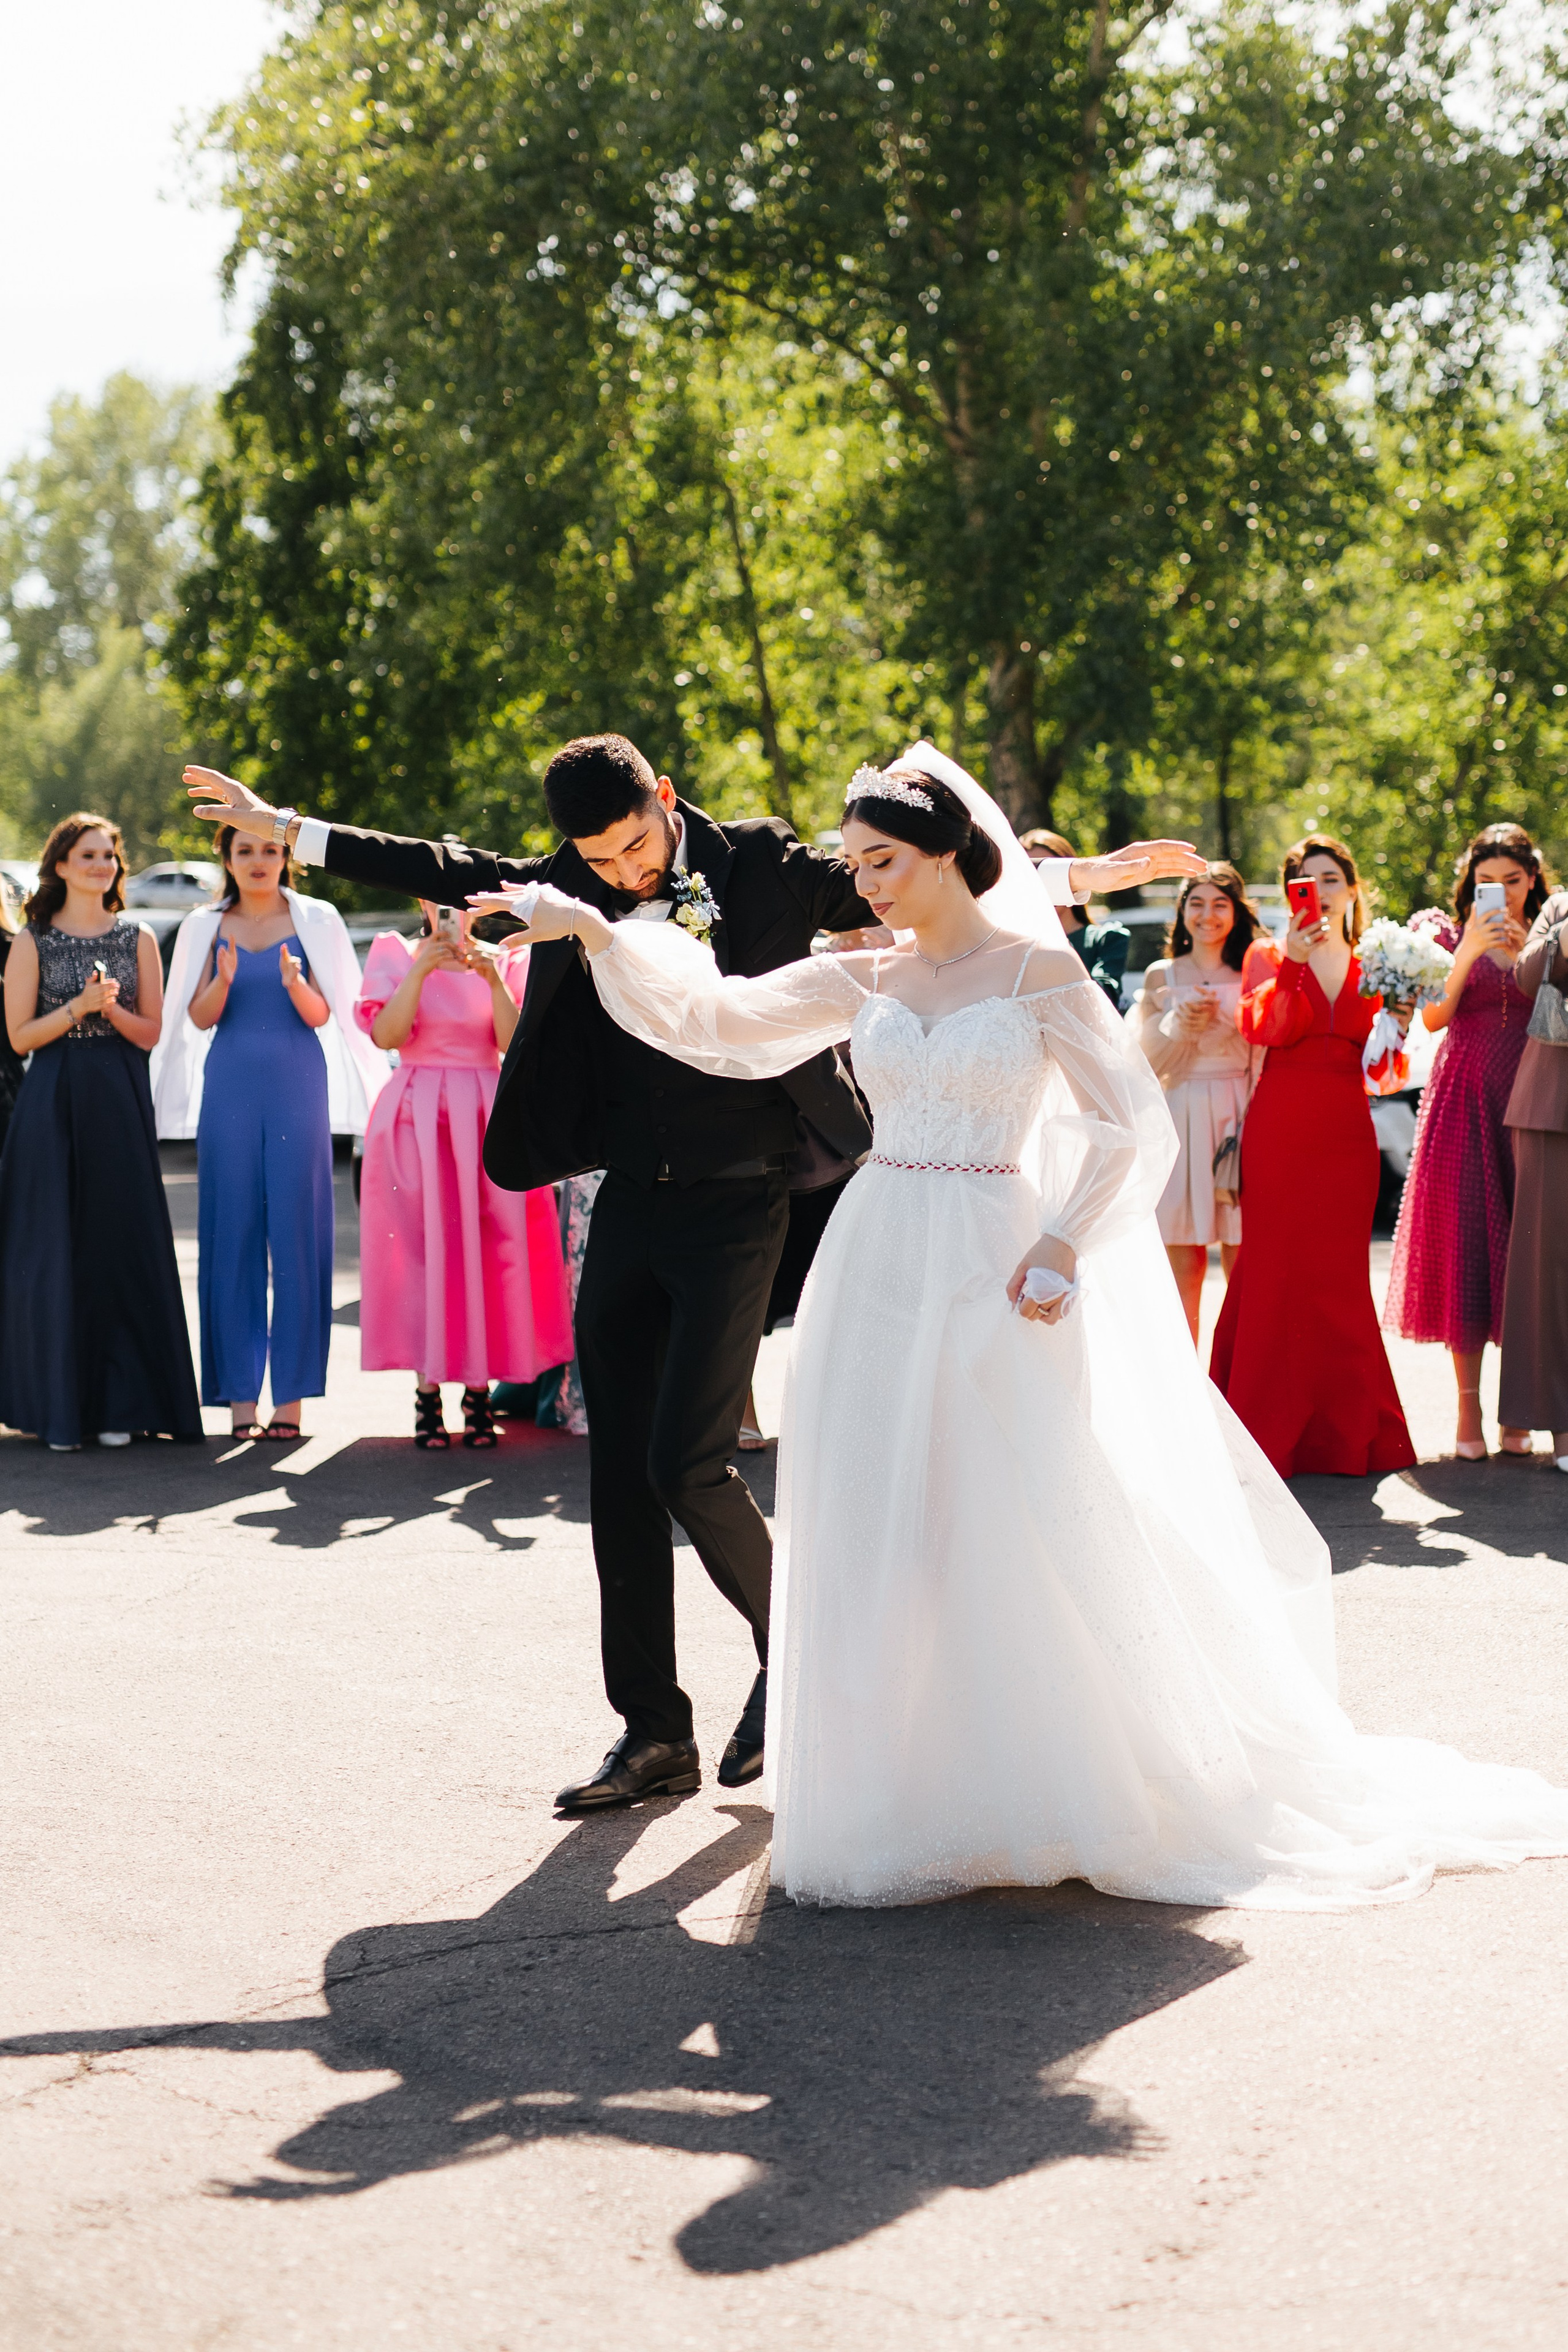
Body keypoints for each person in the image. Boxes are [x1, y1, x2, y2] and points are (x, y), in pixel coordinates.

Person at [488, 748, 1568, 1910]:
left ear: (947, 853)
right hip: (878, 1255)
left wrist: (1062, 1240)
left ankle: (1052, 1777)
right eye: (855, 865)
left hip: (998, 1256)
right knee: (880, 1506)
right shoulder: (864, 975)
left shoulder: (1038, 973)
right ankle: (904, 1782)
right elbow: (717, 1019)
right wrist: (594, 931)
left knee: (1014, 1500)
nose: (866, 886)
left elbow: (1128, 1125)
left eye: (882, 863)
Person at [184, 748, 1206, 1807]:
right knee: (618, 1470)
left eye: (635, 845)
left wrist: (1074, 877)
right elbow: (440, 866)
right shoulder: (572, 885)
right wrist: (290, 828)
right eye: (599, 860)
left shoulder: (761, 860)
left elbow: (917, 884)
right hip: (629, 1192)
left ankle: (795, 1653)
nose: (623, 872)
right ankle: (651, 1731)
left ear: (665, 802)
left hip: (746, 1193)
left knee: (689, 1462)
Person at [153, 827, 388, 1441]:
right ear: (227, 859)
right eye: (245, 851)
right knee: (230, 1236)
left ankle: (292, 1400)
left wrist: (294, 984)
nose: (259, 861)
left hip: (298, 1090)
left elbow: (326, 1014)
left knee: (298, 1238)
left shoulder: (317, 919)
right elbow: (197, 1017)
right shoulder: (205, 925)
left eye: (271, 850)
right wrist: (224, 980)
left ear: (287, 857)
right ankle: (238, 1399)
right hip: (228, 1090)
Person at [1208, 835, 1416, 1479]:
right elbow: (1265, 1029)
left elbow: (1388, 1072)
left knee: (1338, 1276)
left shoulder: (1376, 963)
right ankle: (1259, 1427)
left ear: (1352, 889)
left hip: (1346, 1130)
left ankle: (1345, 1432)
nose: (1319, 892)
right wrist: (1295, 965)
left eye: (1330, 880)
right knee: (1274, 1269)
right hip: (1281, 1126)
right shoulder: (1267, 955)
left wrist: (1400, 1024)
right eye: (1306, 881)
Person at [0, 813, 202, 1450]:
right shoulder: (32, 940)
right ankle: (60, 1409)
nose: (101, 865)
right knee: (55, 1249)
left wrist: (110, 1010)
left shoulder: (138, 937)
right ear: (61, 865)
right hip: (52, 1101)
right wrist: (78, 1008)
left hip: (118, 1099)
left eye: (109, 855)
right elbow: (20, 1038)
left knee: (120, 1246)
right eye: (88, 855)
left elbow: (151, 1033)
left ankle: (122, 1402)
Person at [355, 905, 573, 1448]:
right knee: (422, 1252)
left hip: (485, 1113)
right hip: (416, 1117)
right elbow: (387, 1036)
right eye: (437, 899)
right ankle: (427, 1391)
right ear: (424, 905)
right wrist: (420, 971)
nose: (449, 909)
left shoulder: (508, 960)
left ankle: (479, 1392)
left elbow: (511, 1044)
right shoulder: (395, 954)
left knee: (491, 1251)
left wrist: (492, 979)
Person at [1384, 824, 1547, 1459]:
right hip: (1465, 1100)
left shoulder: (1551, 935)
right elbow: (1432, 1018)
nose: (1501, 892)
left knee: (1530, 1259)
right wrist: (1469, 953)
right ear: (1469, 884)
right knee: (1469, 1252)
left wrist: (1527, 958)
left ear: (1532, 879)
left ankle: (1520, 1412)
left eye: (1513, 881)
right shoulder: (1444, 935)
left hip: (1534, 1100)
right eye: (1487, 882)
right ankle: (1467, 1413)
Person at [1129, 864, 1260, 1344]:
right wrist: (1177, 1026)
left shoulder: (1253, 969)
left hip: (1239, 1111)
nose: (1208, 915)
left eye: (1220, 904)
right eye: (1197, 903)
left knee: (1244, 1257)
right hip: (1179, 1112)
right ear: (1183, 911)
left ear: (1237, 912)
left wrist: (1230, 1029)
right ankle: (1187, 1375)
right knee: (1183, 1262)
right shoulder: (1161, 974)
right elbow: (1140, 1061)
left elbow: (1266, 1051)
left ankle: (1236, 1372)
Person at [1498, 884, 1568, 1468]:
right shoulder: (1560, 907)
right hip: (1554, 1109)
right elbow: (1525, 978)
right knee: (1551, 1272)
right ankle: (1565, 1429)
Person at [1020, 827, 1130, 1005]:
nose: (1043, 887)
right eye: (1032, 877)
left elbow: (1104, 1000)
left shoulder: (1106, 938)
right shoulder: (1012, 945)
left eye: (1050, 874)